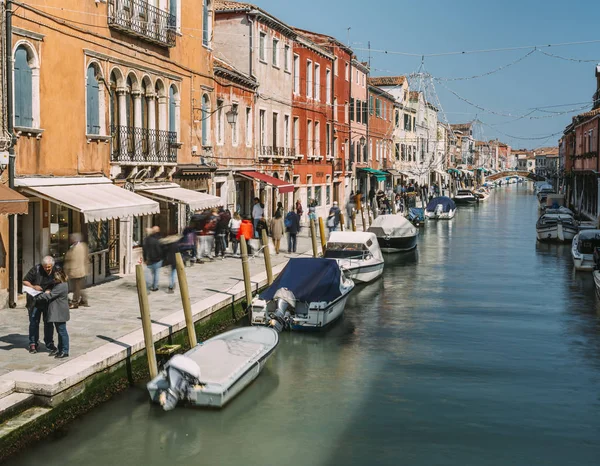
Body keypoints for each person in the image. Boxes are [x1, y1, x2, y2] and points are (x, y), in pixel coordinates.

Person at [23, 256, 57, 354]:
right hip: (35, 301)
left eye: (49, 267)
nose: (47, 269)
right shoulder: (36, 269)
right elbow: (25, 281)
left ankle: (49, 342)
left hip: (48, 301)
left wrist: (50, 290)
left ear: (52, 266)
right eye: (45, 267)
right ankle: (33, 343)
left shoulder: (56, 270)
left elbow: (60, 282)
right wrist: (33, 286)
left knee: (49, 323)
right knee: (34, 322)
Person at [34, 269, 70, 358]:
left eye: (55, 279)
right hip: (57, 312)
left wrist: (38, 295)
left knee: (62, 331)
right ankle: (60, 349)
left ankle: (65, 350)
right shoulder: (59, 284)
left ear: (60, 278)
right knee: (60, 331)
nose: (53, 280)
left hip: (59, 313)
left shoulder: (61, 286)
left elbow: (50, 295)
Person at [64, 233, 89, 309]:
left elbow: (71, 260)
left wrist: (67, 270)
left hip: (76, 270)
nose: (70, 240)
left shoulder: (75, 248)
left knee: (76, 287)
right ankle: (84, 300)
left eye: (71, 239)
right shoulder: (83, 246)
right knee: (79, 287)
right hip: (81, 270)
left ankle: (75, 302)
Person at [143, 226, 163, 291]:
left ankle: (146, 287)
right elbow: (159, 250)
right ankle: (155, 287)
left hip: (149, 259)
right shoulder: (156, 240)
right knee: (156, 273)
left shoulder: (146, 240)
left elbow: (144, 250)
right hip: (157, 259)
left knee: (148, 274)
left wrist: (145, 259)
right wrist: (161, 257)